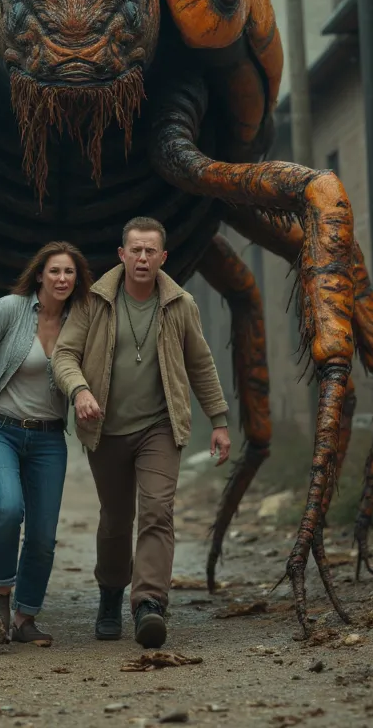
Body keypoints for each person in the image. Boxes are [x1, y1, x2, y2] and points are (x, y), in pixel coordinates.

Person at [51, 216, 230, 649]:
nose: (143, 257)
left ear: (162, 257)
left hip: (160, 427)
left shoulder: (180, 304)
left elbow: (200, 364)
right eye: (136, 249)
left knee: (157, 512)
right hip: (105, 428)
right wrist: (79, 392)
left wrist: (220, 421)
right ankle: (111, 594)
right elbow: (64, 355)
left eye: (151, 251)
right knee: (115, 519)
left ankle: (149, 603)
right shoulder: (93, 301)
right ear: (122, 254)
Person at [0, 242, 93, 646]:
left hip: (48, 438)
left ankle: (26, 619)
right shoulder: (10, 308)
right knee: (8, 508)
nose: (62, 279)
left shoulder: (79, 321)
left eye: (69, 273)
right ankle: (0, 593)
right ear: (40, 275)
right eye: (55, 272)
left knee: (43, 536)